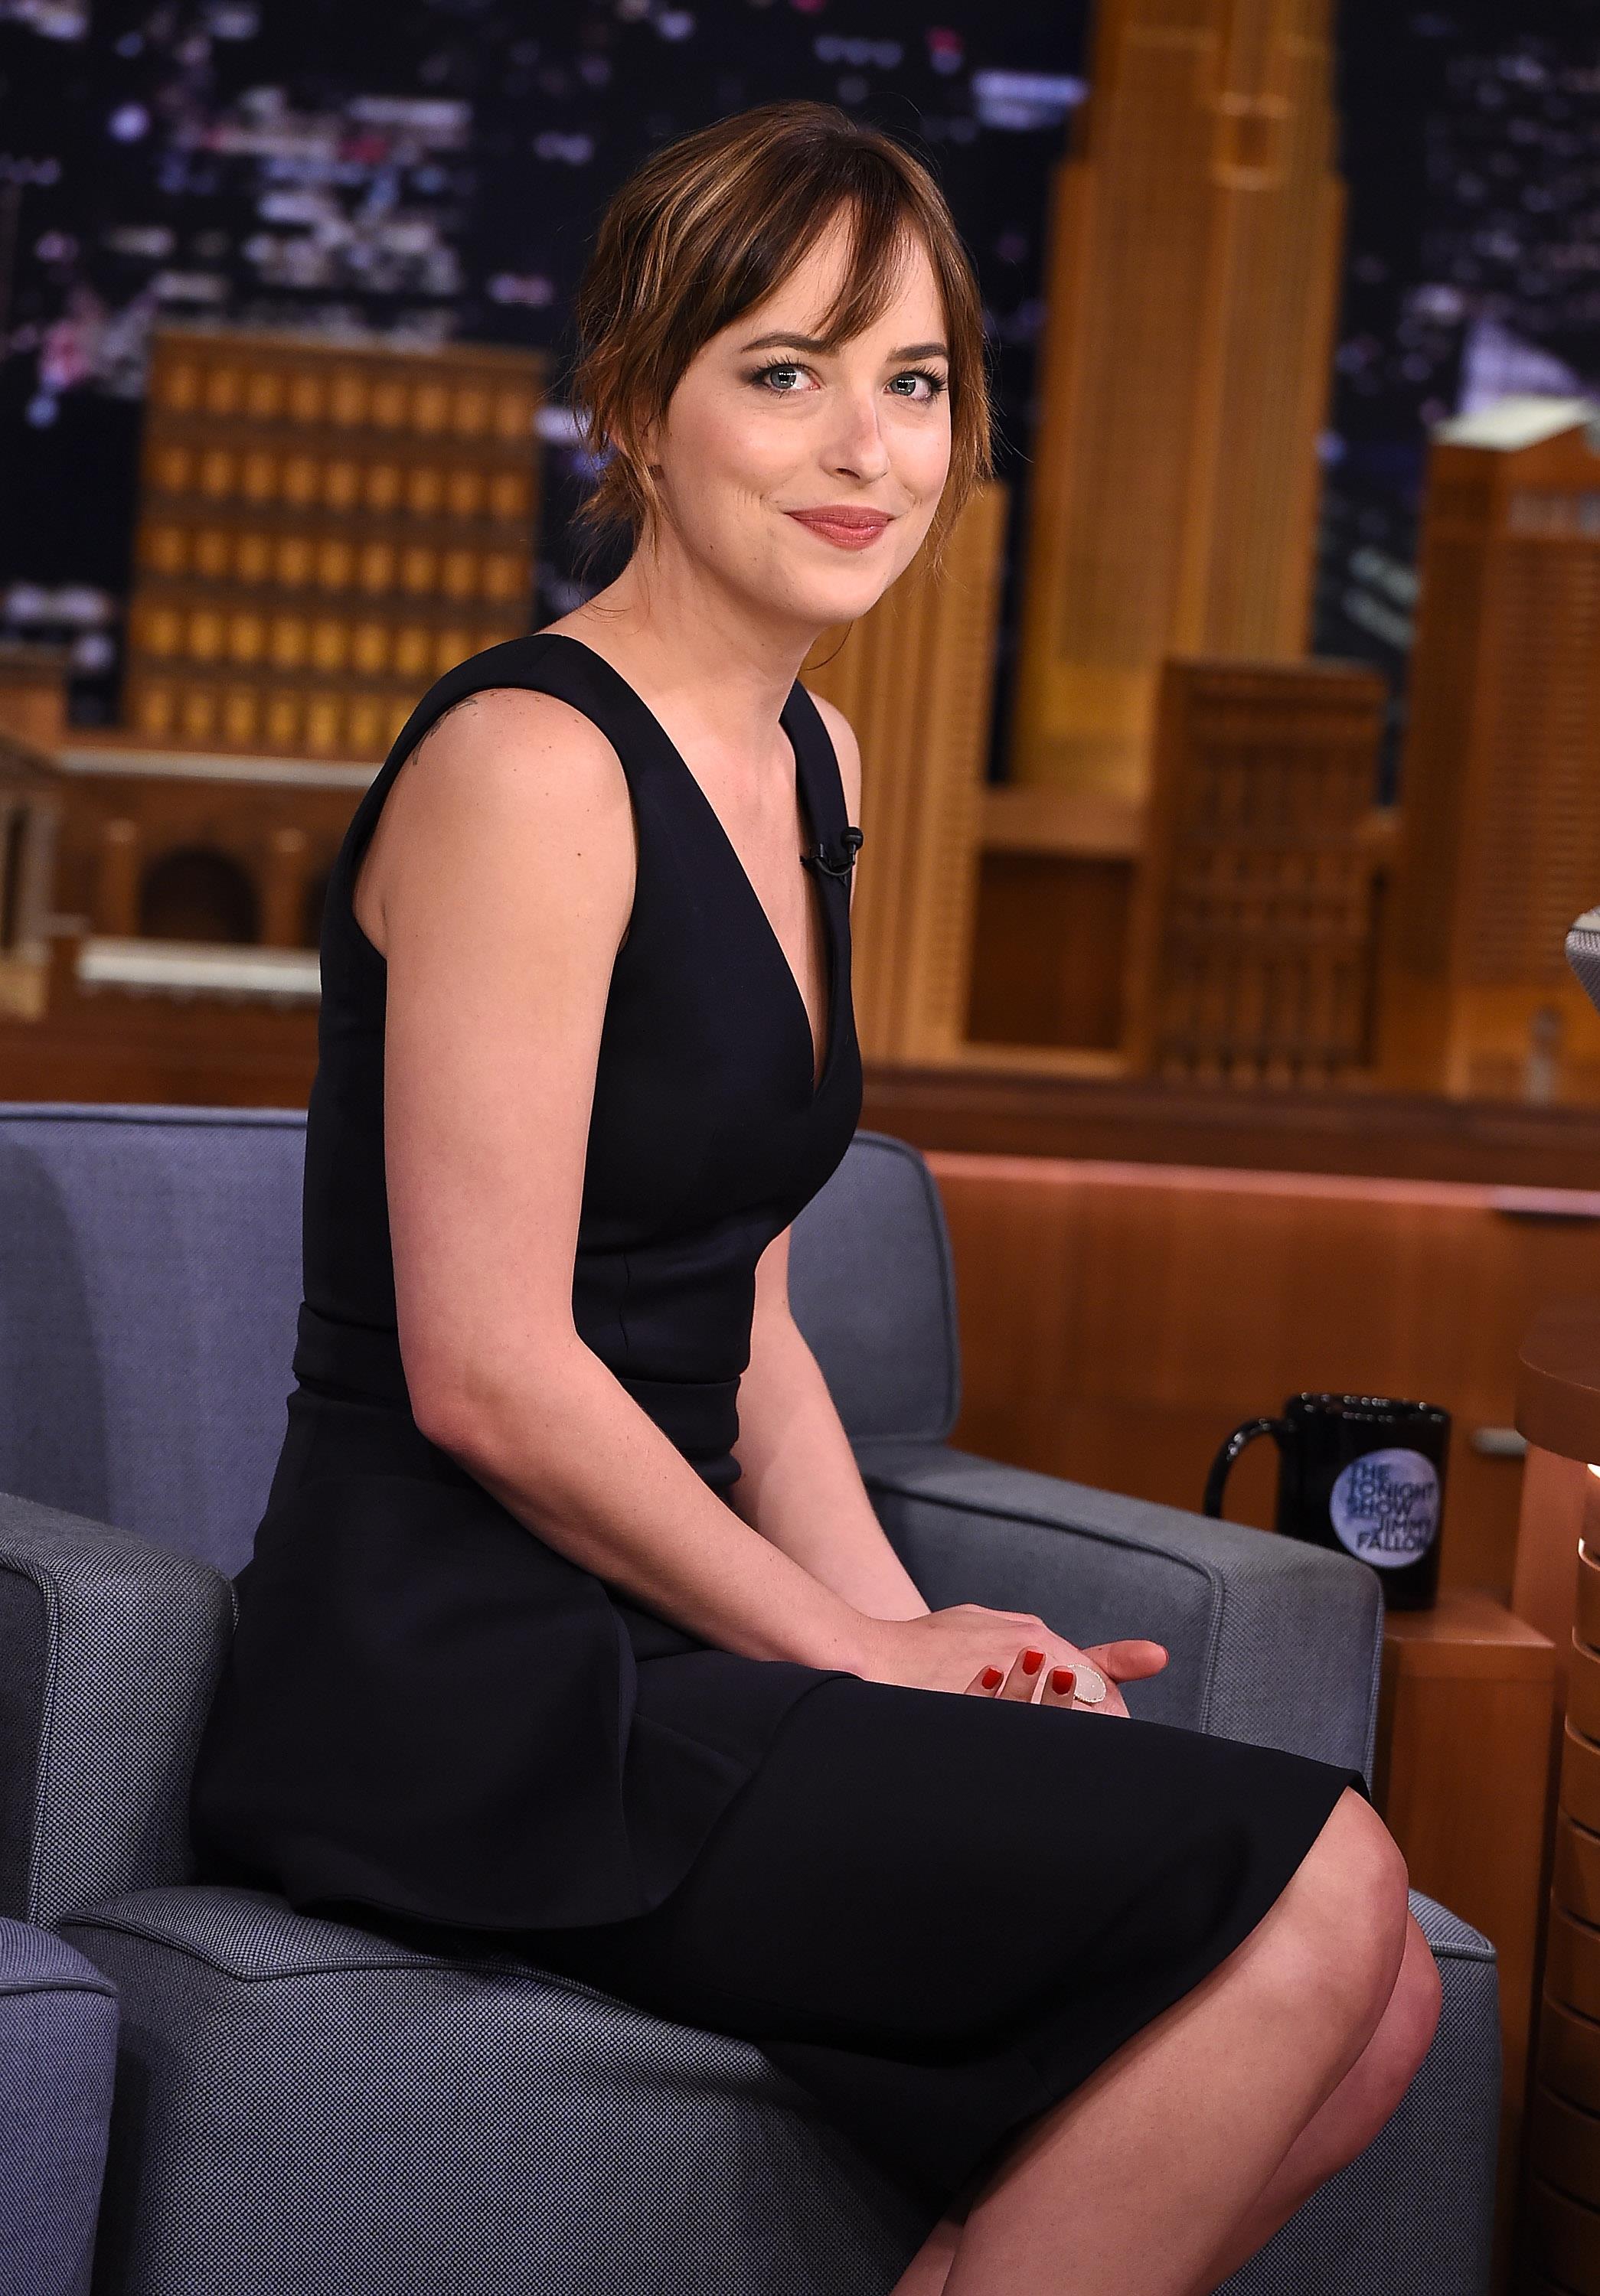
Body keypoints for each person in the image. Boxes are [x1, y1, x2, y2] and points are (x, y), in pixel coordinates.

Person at [189, 98, 1441, 2296]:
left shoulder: (810, 763)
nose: (868, 448)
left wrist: (923, 1649)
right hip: (457, 1689)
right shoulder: (528, 765)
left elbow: (740, 1316)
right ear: (632, 408)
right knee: (1323, 1884)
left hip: (683, 1645)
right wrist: (851, 1649)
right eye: (783, 371)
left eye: (916, 380)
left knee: (1384, 2006)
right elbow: (489, 1374)